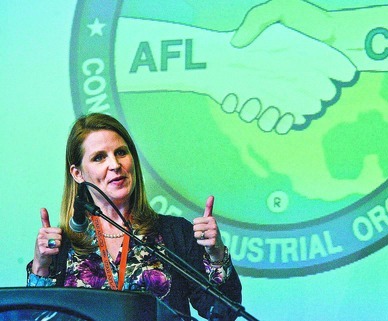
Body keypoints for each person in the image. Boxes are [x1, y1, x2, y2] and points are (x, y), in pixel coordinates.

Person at [27, 113, 242, 320]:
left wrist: (216, 253)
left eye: (121, 152)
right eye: (99, 157)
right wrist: (41, 265)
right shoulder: (61, 245)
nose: (115, 165)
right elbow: (37, 318)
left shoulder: (175, 233)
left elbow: (223, 313)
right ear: (77, 173)